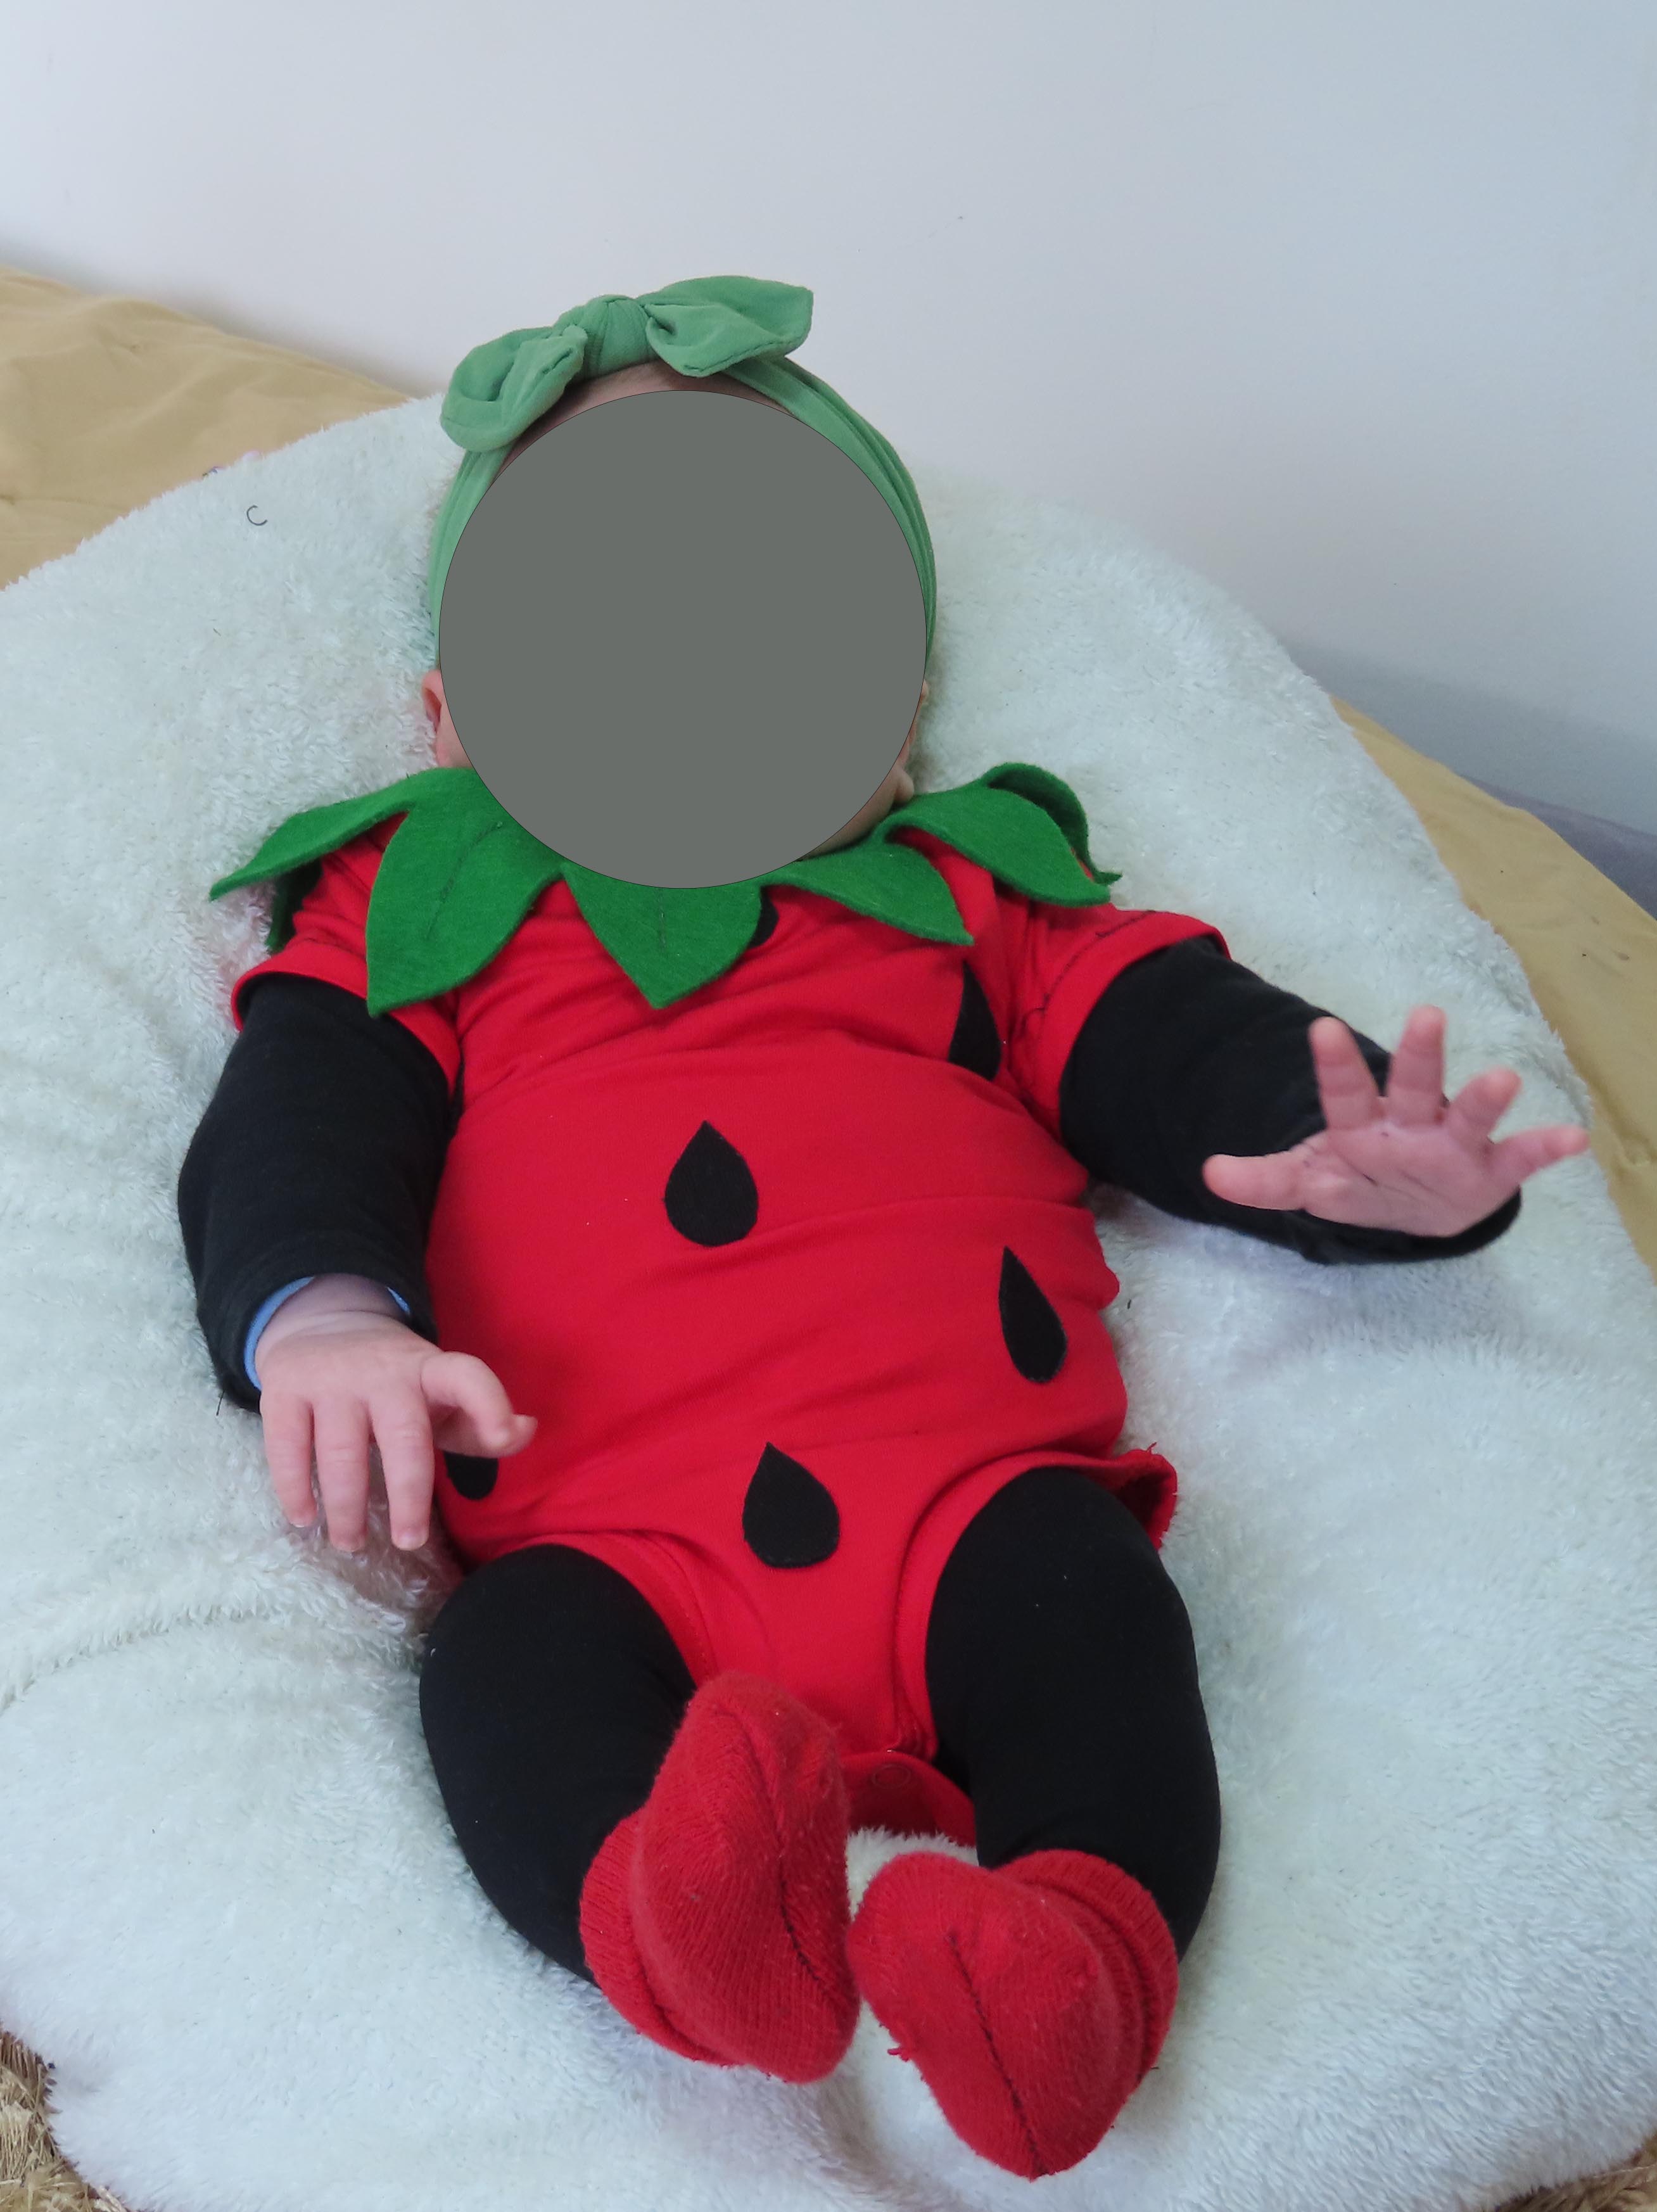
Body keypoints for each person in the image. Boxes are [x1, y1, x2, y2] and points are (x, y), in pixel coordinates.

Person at [177, 279, 1590, 2183]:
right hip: (605, 1542)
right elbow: (301, 1108)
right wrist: (326, 1311)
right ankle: (677, 1922)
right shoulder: (426, 903)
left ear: (898, 719)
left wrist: (1345, 1156)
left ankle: (1069, 1962)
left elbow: (1176, 1036)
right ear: (453, 717)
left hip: (976, 1511)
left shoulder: (971, 895)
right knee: (505, 1677)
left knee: (1101, 1624)